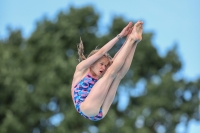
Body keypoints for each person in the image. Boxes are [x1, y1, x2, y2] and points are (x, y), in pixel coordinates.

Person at [71, 21, 143, 121]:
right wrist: (120, 36)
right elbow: (101, 52)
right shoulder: (81, 69)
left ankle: (134, 42)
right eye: (101, 64)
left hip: (99, 112)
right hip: (86, 107)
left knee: (117, 75)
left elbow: (116, 62)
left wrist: (128, 41)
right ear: (92, 62)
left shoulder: (99, 78)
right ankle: (132, 40)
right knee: (111, 74)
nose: (103, 68)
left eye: (105, 65)